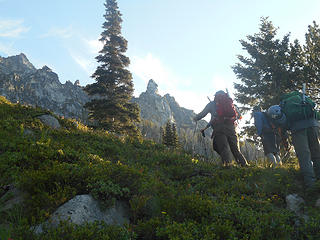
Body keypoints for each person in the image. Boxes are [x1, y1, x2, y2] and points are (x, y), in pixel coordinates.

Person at [268, 103, 320, 190]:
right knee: (317, 153)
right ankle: (319, 179)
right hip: (313, 125)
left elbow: (283, 131)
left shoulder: (279, 115)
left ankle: (311, 186)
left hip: (298, 129)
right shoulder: (296, 106)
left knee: (304, 156)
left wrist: (286, 144)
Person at [193, 90, 248, 167]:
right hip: (232, 128)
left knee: (223, 148)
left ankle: (228, 166)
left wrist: (195, 118)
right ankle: (244, 165)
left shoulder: (211, 104)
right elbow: (239, 116)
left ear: (215, 96)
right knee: (235, 149)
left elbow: (202, 114)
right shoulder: (230, 103)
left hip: (219, 128)